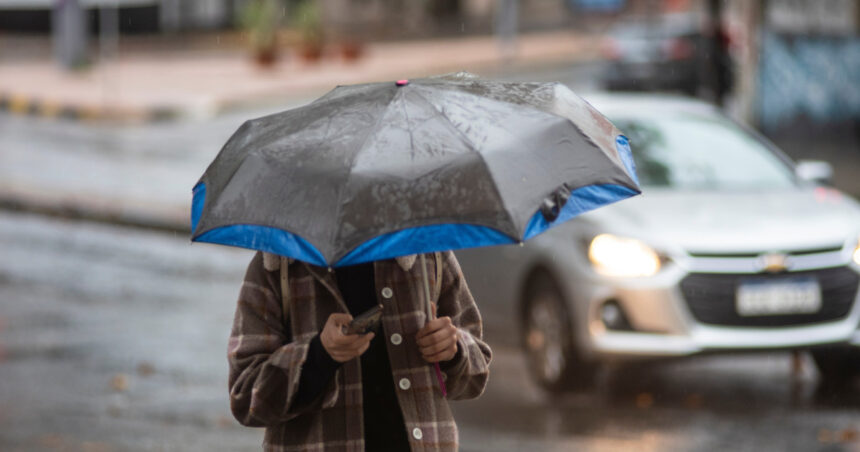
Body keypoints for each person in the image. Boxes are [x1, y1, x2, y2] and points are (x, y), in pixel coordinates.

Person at [228, 251, 492, 451]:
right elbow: (245, 398)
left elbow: (476, 375)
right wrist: (318, 355)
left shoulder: (428, 253)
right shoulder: (277, 266)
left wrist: (454, 349)